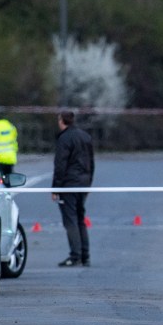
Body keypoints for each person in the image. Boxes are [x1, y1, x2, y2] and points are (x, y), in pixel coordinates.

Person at [52, 110, 94, 267]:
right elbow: (91, 162)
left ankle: (74, 255)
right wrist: (89, 183)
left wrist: (56, 188)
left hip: (69, 185)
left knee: (70, 220)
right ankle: (85, 255)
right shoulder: (85, 136)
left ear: (62, 121)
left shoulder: (64, 139)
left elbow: (60, 165)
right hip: (83, 183)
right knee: (80, 219)